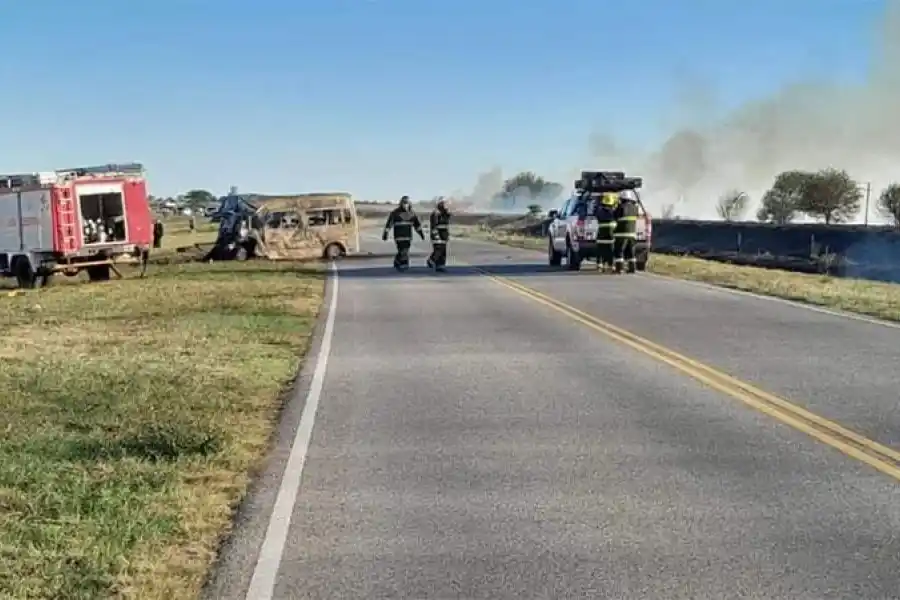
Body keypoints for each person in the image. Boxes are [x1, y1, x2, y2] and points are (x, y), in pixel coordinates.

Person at [383, 196, 425, 270]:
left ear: (409, 204)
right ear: (401, 203)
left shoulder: (412, 214)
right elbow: (389, 224)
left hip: (408, 236)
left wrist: (421, 234)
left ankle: (397, 261)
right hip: (399, 236)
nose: (405, 205)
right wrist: (386, 233)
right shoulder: (395, 213)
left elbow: (417, 225)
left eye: (407, 203)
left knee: (404, 250)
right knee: (403, 250)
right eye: (404, 203)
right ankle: (404, 264)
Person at [613, 189, 639, 273]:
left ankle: (619, 269)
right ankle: (632, 269)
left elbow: (615, 216)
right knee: (631, 252)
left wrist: (614, 207)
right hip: (632, 234)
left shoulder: (620, 207)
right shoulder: (635, 208)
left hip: (621, 234)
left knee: (619, 251)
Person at [593, 192, 618, 272]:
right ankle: (611, 266)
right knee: (610, 251)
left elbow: (595, 211)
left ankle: (600, 265)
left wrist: (598, 201)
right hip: (610, 236)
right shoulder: (614, 212)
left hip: (601, 235)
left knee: (600, 250)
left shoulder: (600, 211)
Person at [426, 198, 451, 271]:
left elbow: (447, 219)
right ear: (439, 204)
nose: (445, 205)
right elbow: (434, 226)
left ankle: (440, 266)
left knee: (443, 251)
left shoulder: (445, 213)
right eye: (443, 203)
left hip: (444, 235)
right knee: (438, 250)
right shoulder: (435, 213)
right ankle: (431, 260)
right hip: (437, 235)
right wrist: (436, 236)